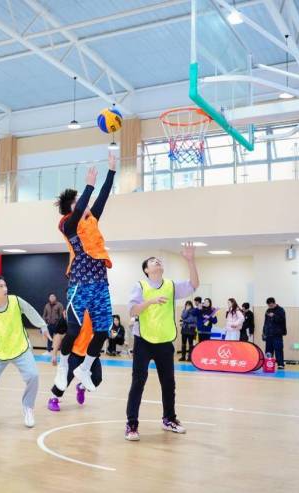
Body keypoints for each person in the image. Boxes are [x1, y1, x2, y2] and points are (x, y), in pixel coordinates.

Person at [53, 153, 117, 393]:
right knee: (74, 330)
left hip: (100, 282)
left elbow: (103, 197)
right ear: (72, 207)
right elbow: (81, 207)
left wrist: (111, 171)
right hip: (80, 282)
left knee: (102, 331)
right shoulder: (67, 224)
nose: (85, 203)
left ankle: (85, 369)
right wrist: (88, 186)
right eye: (79, 201)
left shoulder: (92, 220)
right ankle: (63, 367)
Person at [125, 244, 199, 441]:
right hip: (143, 340)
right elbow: (132, 311)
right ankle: (132, 424)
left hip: (165, 342)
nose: (157, 262)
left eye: (158, 260)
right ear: (146, 270)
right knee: (138, 382)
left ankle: (169, 419)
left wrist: (190, 261)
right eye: (152, 261)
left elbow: (194, 284)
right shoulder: (140, 286)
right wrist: (150, 301)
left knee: (168, 383)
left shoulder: (171, 285)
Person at [0, 276, 49, 429]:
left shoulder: (15, 301)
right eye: (1, 286)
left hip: (21, 348)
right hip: (0, 352)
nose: (5, 288)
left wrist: (42, 326)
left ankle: (28, 408)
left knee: (33, 376)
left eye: (5, 285)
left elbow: (30, 311)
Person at [48, 311, 102, 412]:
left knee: (97, 378)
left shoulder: (98, 313)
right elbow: (59, 334)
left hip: (91, 354)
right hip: (74, 352)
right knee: (66, 378)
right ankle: (54, 398)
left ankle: (81, 387)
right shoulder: (70, 312)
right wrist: (54, 354)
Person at [263, 297, 287, 370]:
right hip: (268, 334)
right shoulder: (268, 310)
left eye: (270, 305)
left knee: (278, 349)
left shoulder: (280, 310)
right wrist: (264, 332)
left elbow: (282, 320)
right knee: (268, 350)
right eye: (268, 305)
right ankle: (268, 363)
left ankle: (280, 364)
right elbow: (266, 322)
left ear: (273, 303)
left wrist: (274, 316)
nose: (269, 307)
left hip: (277, 334)